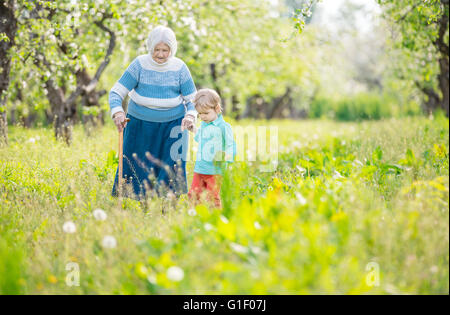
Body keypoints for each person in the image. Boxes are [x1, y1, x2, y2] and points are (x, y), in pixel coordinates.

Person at [109, 25, 197, 199]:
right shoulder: (139, 65)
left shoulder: (180, 67)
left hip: (173, 125)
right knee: (136, 165)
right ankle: (140, 207)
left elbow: (192, 99)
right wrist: (118, 112)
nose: (161, 54)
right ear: (150, 47)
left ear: (172, 49)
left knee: (172, 167)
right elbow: (116, 92)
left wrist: (190, 115)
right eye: (157, 49)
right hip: (139, 123)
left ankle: (168, 207)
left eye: (166, 50)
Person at [187, 89, 236, 208]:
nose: (202, 117)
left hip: (215, 170)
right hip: (200, 167)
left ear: (217, 109)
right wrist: (193, 129)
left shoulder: (224, 127)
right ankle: (193, 216)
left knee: (212, 197)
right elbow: (201, 137)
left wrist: (226, 155)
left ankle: (214, 218)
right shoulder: (204, 124)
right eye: (200, 114)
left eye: (206, 113)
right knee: (194, 194)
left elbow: (231, 146)